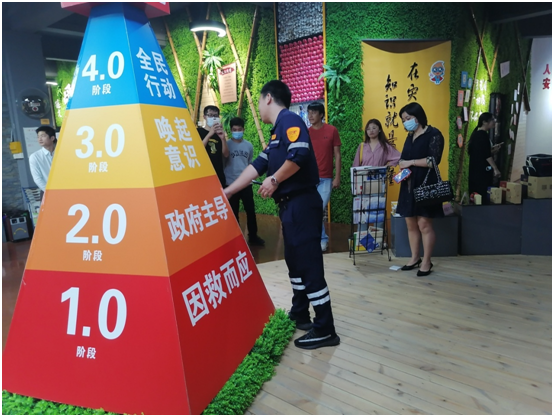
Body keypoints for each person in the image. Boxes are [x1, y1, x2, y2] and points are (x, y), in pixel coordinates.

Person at [224, 80, 340, 350]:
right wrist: (228, 191)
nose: (259, 108)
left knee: (308, 264)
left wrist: (274, 180)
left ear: (268, 98)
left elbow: (299, 155)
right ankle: (300, 313)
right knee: (295, 262)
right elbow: (258, 165)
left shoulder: (289, 120)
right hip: (289, 207)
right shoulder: (277, 132)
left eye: (260, 101)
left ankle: (325, 328)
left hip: (302, 204)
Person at [396, 103, 445, 277]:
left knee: (424, 224)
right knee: (410, 224)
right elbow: (404, 158)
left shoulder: (434, 134)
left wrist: (410, 162)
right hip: (409, 184)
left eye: (408, 118)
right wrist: (402, 166)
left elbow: (433, 160)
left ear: (418, 116)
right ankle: (415, 257)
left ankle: (426, 261)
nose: (406, 122)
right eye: (403, 120)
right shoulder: (410, 136)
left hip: (426, 184)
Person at [224, 117, 265, 246]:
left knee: (250, 211)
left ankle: (253, 236)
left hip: (246, 184)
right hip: (231, 183)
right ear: (230, 130)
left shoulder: (249, 146)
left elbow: (249, 164)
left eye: (239, 129)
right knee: (233, 213)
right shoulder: (226, 145)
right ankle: (235, 237)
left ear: (243, 129)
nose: (237, 132)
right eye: (234, 129)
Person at [307, 102, 342, 252]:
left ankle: (321, 238)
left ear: (321, 114)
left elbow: (337, 155)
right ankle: (320, 238)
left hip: (326, 178)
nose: (310, 116)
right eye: (309, 112)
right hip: (309, 178)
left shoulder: (332, 130)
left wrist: (337, 177)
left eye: (314, 112)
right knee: (313, 210)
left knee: (318, 208)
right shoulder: (306, 132)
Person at [468, 112, 502, 202]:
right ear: (484, 122)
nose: (494, 121)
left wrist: (492, 150)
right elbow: (486, 155)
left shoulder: (477, 134)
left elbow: (481, 152)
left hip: (475, 171)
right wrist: (495, 169)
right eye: (492, 120)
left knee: (476, 196)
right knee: (482, 194)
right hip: (481, 172)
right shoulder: (482, 135)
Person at [197, 105, 229, 187]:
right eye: (210, 115)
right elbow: (198, 151)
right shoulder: (198, 131)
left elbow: (226, 155)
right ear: (204, 117)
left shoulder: (220, 133)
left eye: (215, 116)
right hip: (204, 173)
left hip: (218, 173)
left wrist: (223, 138)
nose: (213, 118)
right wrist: (210, 134)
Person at [29, 125, 57, 193]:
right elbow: (37, 179)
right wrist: (50, 192)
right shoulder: (35, 157)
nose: (40, 139)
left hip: (64, 190)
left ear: (52, 138)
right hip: (47, 192)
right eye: (38, 136)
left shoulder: (61, 153)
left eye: (43, 136)